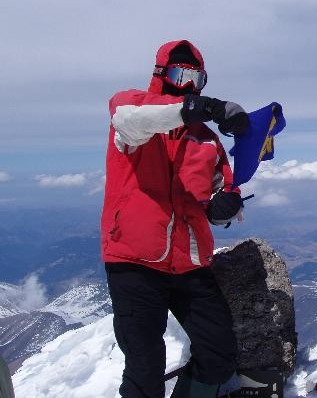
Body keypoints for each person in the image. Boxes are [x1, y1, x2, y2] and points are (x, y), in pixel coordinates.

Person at [101, 40, 249, 398]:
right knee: (144, 368)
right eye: (180, 75)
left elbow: (221, 191)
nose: (187, 84)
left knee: (219, 353)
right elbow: (135, 119)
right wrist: (203, 107)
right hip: (134, 262)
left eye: (196, 78)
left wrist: (224, 208)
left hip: (190, 263)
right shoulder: (131, 109)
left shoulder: (206, 141)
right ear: (161, 74)